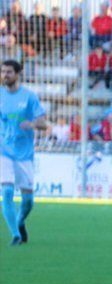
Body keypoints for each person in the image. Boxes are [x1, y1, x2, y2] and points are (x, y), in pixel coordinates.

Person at [1, 59, 48, 245]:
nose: (5, 75)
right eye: (3, 71)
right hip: (3, 151)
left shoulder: (29, 97)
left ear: (17, 74)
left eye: (9, 72)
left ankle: (20, 222)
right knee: (6, 191)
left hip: (24, 154)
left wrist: (33, 124)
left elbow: (44, 123)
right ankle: (15, 235)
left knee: (28, 201)